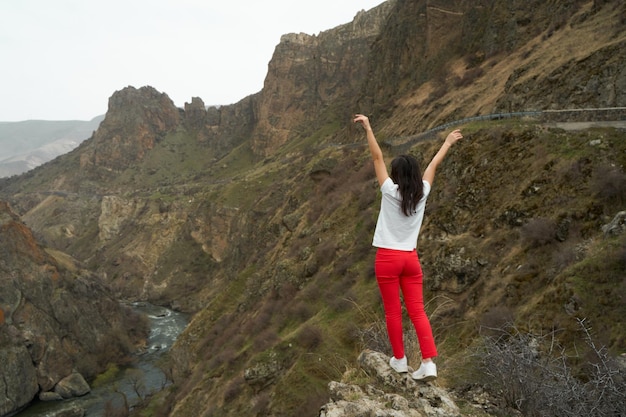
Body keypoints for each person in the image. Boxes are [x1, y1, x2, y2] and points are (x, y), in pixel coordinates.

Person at [353, 114, 463, 381]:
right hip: (411, 260)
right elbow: (433, 165)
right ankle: (428, 363)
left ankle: (400, 361)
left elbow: (377, 158)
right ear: (414, 174)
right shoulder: (422, 192)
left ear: (396, 175)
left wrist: (369, 128)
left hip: (388, 259)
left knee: (393, 311)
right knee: (418, 310)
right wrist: (447, 143)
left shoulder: (390, 191)